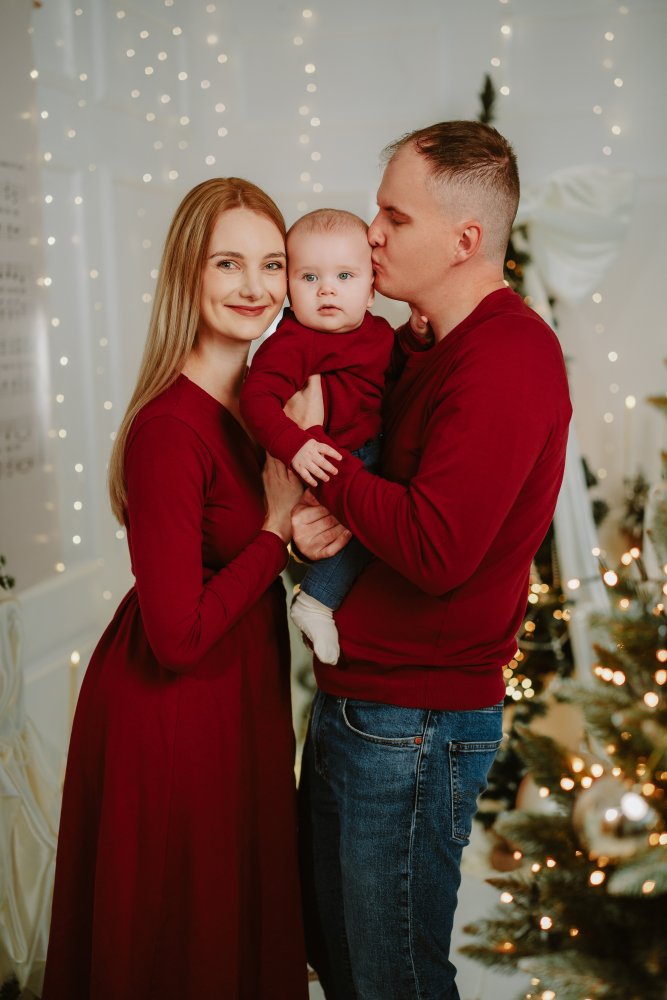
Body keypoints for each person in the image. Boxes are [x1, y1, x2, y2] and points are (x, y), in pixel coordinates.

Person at [292, 121, 573, 1000]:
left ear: (464, 239)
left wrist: (320, 465)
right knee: (345, 973)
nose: (370, 234)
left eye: (394, 217)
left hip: (414, 722)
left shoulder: (510, 356)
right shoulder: (423, 345)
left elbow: (434, 548)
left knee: (395, 983)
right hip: (360, 701)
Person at [42, 178, 309, 1000]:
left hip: (238, 703)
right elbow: (178, 637)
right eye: (228, 263)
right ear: (188, 272)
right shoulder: (169, 428)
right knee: (183, 948)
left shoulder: (261, 411)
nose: (254, 286)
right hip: (175, 719)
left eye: (271, 264)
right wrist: (274, 531)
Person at [240, 209, 394, 664]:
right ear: (290, 289)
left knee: (386, 518)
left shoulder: (382, 334)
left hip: (373, 450)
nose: (326, 289)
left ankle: (321, 599)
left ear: (371, 289)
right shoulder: (293, 342)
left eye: (344, 276)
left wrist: (423, 338)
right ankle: (316, 600)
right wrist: (295, 445)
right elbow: (257, 399)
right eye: (309, 277)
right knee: (371, 523)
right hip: (329, 461)